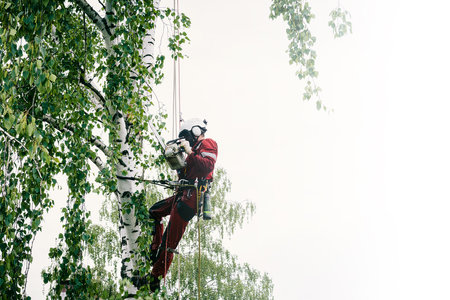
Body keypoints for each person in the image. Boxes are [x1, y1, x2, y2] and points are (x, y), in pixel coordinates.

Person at [147, 118, 218, 292]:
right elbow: (188, 171)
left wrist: (188, 151)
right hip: (182, 195)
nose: (189, 141)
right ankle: (154, 250)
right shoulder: (194, 152)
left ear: (195, 132)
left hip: (190, 199)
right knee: (154, 211)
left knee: (170, 241)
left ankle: (155, 277)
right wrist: (178, 158)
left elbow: (207, 166)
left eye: (188, 136)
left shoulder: (208, 143)